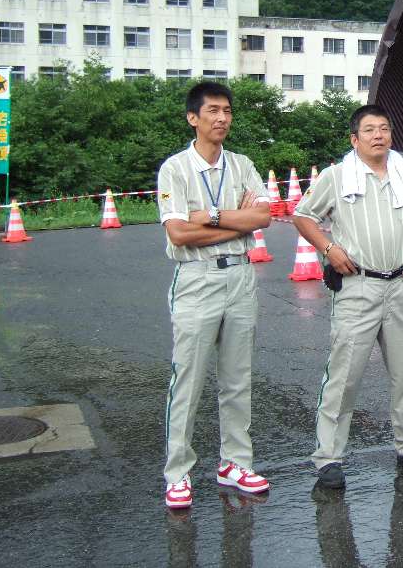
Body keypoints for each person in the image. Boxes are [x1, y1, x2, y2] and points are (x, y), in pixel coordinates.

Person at [293, 104, 403, 489]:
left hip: (402, 285)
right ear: (354, 139)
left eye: (385, 128)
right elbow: (303, 216)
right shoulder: (336, 177)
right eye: (370, 130)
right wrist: (328, 249)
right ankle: (328, 457)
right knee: (344, 375)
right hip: (358, 285)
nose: (379, 135)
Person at [157, 81, 273, 509]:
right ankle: (177, 471)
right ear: (194, 117)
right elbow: (178, 232)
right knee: (186, 378)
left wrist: (213, 216)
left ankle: (235, 462)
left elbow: (263, 216)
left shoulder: (242, 164)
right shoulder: (175, 169)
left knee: (236, 377)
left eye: (227, 111)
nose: (222, 118)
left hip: (241, 278)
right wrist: (238, 224)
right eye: (213, 111)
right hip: (196, 279)